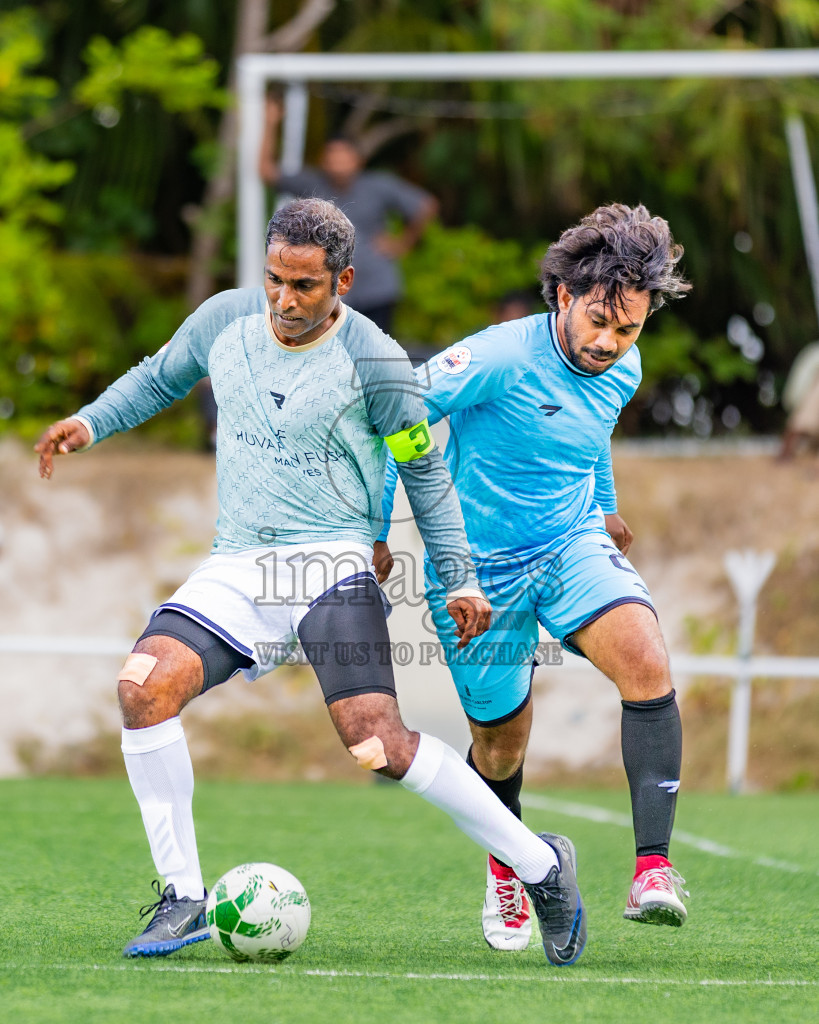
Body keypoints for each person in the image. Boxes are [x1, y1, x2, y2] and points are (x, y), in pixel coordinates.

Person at [35, 198, 585, 967]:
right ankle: (182, 894)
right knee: (142, 687)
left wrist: (457, 577)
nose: (284, 302)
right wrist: (89, 422)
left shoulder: (379, 362)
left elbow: (422, 470)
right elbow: (159, 379)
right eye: (274, 281)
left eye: (304, 286)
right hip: (235, 563)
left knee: (375, 745)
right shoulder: (225, 319)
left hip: (330, 563)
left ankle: (541, 866)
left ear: (344, 281)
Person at [376, 203, 692, 950]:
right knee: (500, 744)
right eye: (598, 323)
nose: (609, 344)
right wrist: (373, 527)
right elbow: (395, 412)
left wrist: (606, 510)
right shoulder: (496, 358)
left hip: (569, 544)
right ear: (561, 296)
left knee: (645, 660)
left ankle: (652, 869)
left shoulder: (624, 364)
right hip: (476, 574)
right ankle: (509, 867)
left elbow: (592, 433)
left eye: (628, 330)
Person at [259, 94, 437, 334]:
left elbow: (426, 204)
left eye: (344, 157)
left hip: (375, 286)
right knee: (329, 348)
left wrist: (403, 242)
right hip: (326, 289)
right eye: (333, 157)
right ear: (324, 160)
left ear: (358, 160)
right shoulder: (313, 184)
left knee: (374, 354)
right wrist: (270, 122)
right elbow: (267, 171)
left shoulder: (378, 185)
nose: (339, 163)